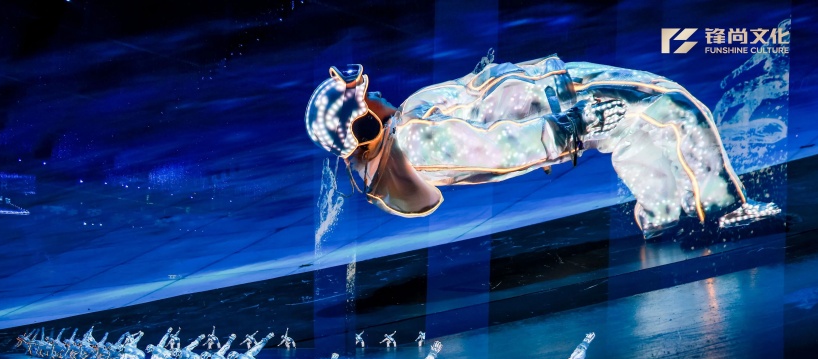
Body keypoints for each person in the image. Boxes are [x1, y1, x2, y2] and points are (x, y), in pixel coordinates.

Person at [305, 55, 781, 239]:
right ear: (363, 123)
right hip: (559, 99)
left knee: (636, 130)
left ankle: (665, 213)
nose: (372, 90)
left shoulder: (405, 132)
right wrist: (567, 128)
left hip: (552, 96)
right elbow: (496, 150)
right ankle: (725, 209)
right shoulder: (415, 139)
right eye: (363, 96)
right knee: (672, 104)